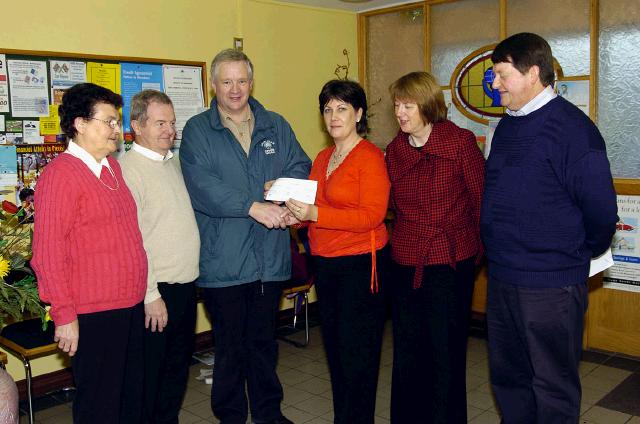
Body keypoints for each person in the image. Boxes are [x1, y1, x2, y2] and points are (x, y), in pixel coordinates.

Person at [481, 32, 618, 424]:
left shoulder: (573, 131)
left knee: (552, 385)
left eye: (502, 75)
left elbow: (601, 214)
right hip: (504, 276)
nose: (495, 84)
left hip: (550, 283)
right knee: (509, 379)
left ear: (534, 73)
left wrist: (572, 255)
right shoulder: (506, 127)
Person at [180, 48, 310, 424]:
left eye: (242, 81)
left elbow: (301, 164)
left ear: (252, 83)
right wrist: (253, 206)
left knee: (264, 345)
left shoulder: (275, 124)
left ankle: (270, 414)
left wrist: (286, 186)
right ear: (213, 85)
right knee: (231, 348)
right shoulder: (198, 131)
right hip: (224, 262)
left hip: (269, 260)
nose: (235, 89)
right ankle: (231, 416)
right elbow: (203, 186)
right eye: (226, 81)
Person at [31, 83, 147, 424]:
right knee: (100, 406)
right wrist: (64, 316)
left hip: (128, 305)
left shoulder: (111, 167)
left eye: (117, 121)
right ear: (80, 123)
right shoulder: (60, 176)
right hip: (93, 312)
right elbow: (47, 253)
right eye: (109, 121)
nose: (117, 129)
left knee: (128, 400)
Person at [285, 79, 390, 424]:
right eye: (328, 109)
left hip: (361, 266)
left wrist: (314, 214)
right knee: (337, 353)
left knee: (358, 357)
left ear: (358, 114)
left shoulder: (370, 157)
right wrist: (291, 214)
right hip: (327, 266)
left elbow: (370, 217)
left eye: (342, 108)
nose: (333, 116)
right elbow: (313, 205)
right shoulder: (324, 156)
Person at [385, 71, 485, 424]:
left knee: (446, 352)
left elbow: (481, 201)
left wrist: (475, 253)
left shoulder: (459, 143)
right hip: (406, 260)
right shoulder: (394, 150)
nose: (400, 112)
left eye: (407, 105)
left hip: (449, 260)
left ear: (428, 106)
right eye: (397, 105)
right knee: (408, 352)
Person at [119, 90, 200, 424]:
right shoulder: (128, 170)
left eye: (172, 122)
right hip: (155, 293)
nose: (170, 130)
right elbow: (132, 241)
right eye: (160, 123)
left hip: (185, 286)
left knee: (176, 372)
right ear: (138, 125)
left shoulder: (172, 162)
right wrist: (150, 295)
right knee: (150, 378)